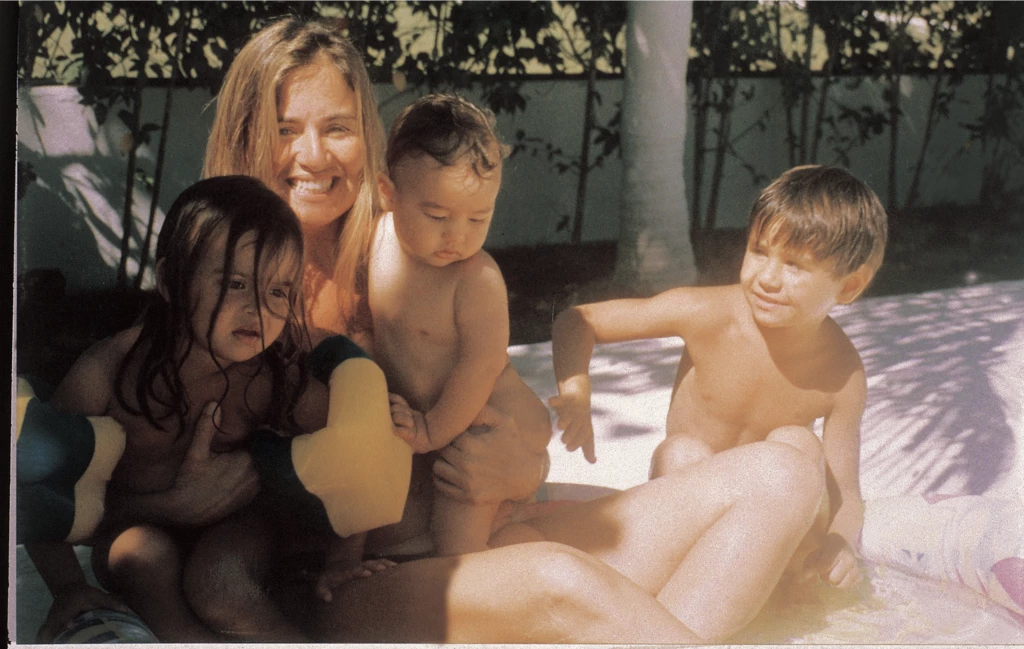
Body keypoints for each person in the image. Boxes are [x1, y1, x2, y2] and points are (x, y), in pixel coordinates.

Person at [163, 16, 824, 643]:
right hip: (366, 584)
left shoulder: (406, 247)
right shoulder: (223, 295)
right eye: (285, 128)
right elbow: (194, 496)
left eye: (337, 127)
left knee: (779, 476)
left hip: (489, 534)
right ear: (247, 133)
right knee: (562, 583)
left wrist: (523, 453)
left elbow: (502, 395)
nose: (313, 154)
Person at [25, 175, 336, 641]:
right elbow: (40, 495)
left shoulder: (266, 375)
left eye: (277, 291)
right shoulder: (107, 374)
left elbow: (355, 442)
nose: (259, 309)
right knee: (141, 555)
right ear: (171, 280)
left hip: (234, 529)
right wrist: (69, 586)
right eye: (234, 283)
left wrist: (348, 553)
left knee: (219, 586)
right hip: (135, 529)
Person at [550, 164, 888, 589]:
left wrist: (841, 546)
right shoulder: (707, 315)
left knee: (797, 443)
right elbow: (579, 321)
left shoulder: (842, 373)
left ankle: (783, 580)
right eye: (759, 251)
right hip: (687, 506)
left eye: (796, 266)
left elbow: (844, 492)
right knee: (683, 452)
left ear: (849, 286)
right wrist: (577, 390)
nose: (767, 278)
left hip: (772, 521)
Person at [369, 94, 550, 556]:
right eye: (437, 216)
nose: (457, 236)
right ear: (388, 193)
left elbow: (481, 366)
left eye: (478, 218)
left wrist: (431, 432)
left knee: (457, 518)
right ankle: (508, 527)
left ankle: (470, 570)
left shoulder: (477, 279)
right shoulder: (374, 243)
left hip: (489, 419)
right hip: (438, 419)